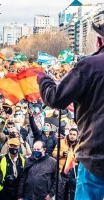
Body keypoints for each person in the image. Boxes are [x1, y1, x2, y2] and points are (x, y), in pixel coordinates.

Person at [36, 22, 104, 199]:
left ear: (99, 41)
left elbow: (56, 98)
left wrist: (44, 80)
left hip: (95, 159)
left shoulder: (89, 66)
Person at [52, 128, 79, 200]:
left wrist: (75, 157)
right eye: (70, 134)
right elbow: (54, 153)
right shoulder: (61, 142)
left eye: (74, 135)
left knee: (71, 193)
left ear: (77, 136)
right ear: (68, 134)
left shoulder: (79, 145)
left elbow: (82, 157)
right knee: (60, 193)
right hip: (62, 172)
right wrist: (62, 153)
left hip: (73, 173)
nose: (72, 136)